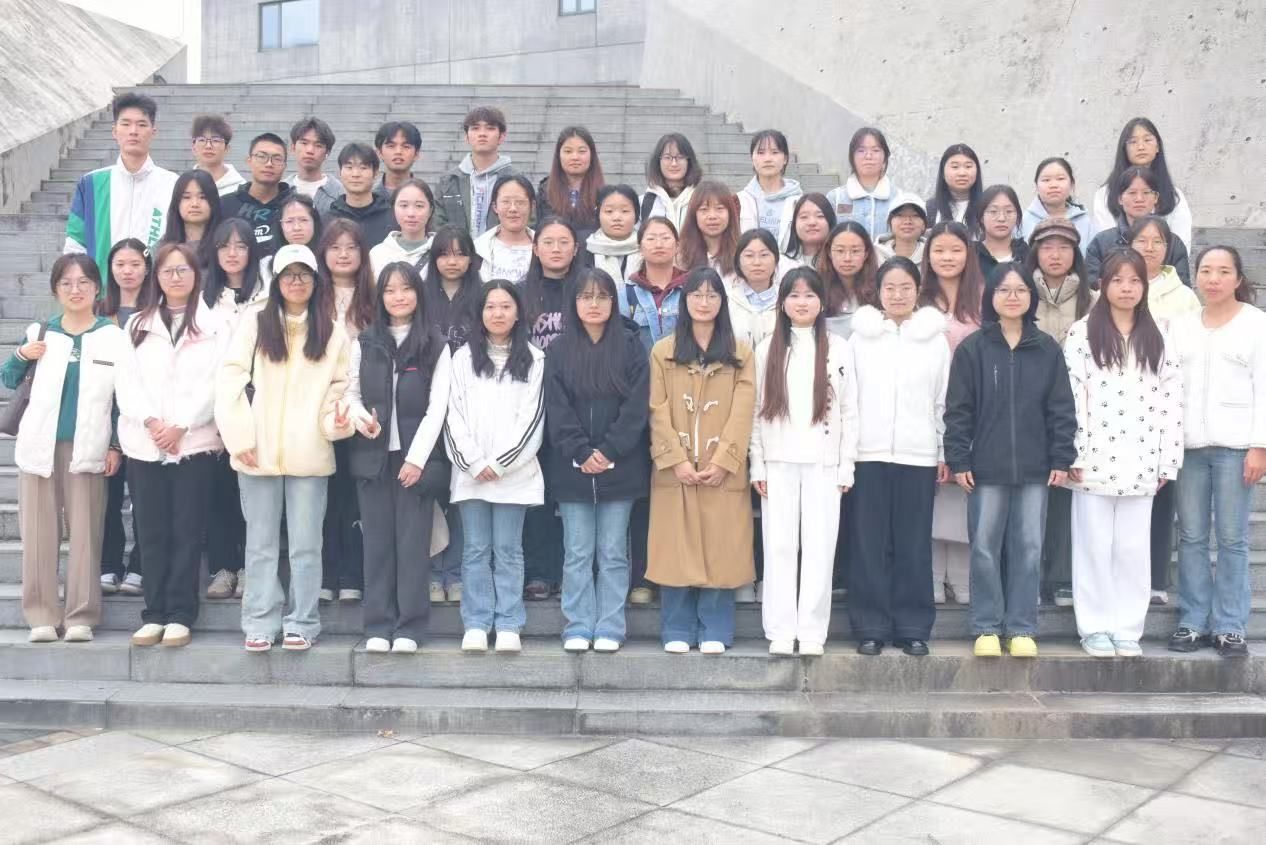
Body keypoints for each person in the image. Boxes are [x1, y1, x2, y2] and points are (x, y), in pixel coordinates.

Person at [214, 244, 352, 653]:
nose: (296, 281)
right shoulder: (255, 322)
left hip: (310, 453)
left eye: (304, 274)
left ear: (316, 281)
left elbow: (339, 389)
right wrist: (240, 438)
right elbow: (230, 380)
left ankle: (303, 621)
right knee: (260, 544)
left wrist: (335, 424)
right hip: (257, 451)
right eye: (288, 274)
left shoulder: (332, 331)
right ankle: (260, 621)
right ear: (276, 281)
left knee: (307, 545)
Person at [944, 262, 1077, 659]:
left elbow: (1061, 408)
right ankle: (986, 626)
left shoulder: (1046, 349)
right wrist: (959, 459)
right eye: (1004, 290)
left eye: (1020, 290)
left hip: (1036, 468)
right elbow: (958, 410)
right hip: (986, 468)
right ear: (991, 297)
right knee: (984, 546)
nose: (1013, 297)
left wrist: (1061, 456)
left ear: (1031, 298)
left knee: (1029, 547)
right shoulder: (974, 348)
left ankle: (1021, 627)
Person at [1064, 248, 1182, 658]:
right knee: (1093, 546)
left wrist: (1168, 458)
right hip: (1092, 457)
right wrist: (1073, 454)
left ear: (1145, 287)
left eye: (1134, 281)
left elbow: (1171, 398)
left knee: (1133, 549)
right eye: (1118, 280)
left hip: (1142, 457)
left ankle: (1128, 628)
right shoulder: (1082, 332)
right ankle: (1094, 627)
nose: (1126, 288)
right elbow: (1072, 396)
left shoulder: (1159, 334)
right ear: (1103, 285)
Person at [2, 255, 126, 643]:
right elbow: (8, 379)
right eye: (67, 283)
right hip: (39, 446)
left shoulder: (112, 336)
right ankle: (41, 614)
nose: (76, 290)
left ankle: (80, 616)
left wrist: (116, 444)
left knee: (86, 534)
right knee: (39, 533)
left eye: (84, 282)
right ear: (55, 289)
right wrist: (22, 355)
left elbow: (123, 397)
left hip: (87, 446)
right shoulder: (40, 331)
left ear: (97, 289)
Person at [116, 243, 230, 649]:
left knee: (187, 530)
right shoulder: (137, 324)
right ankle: (154, 613)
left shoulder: (215, 324)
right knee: (150, 531)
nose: (175, 277)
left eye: (183, 270)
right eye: (167, 271)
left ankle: (181, 613)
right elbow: (126, 381)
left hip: (194, 443)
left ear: (196, 275)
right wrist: (152, 422)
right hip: (144, 442)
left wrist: (182, 425)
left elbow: (218, 382)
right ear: (156, 277)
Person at [344, 261, 452, 653]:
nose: (398, 297)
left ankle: (410, 627)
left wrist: (417, 459)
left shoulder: (435, 344)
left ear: (417, 294)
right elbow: (351, 394)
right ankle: (378, 625)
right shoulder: (365, 342)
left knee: (411, 546)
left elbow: (438, 407)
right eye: (390, 290)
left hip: (415, 461)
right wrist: (362, 420)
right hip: (373, 458)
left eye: (405, 289)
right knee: (376, 545)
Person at [647, 268, 756, 655]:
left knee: (721, 548)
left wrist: (724, 459)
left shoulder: (741, 353)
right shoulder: (663, 351)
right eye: (696, 295)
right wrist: (675, 459)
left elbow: (743, 412)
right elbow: (657, 409)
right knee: (675, 548)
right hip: (675, 470)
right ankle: (676, 627)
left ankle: (715, 628)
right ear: (685, 300)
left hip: (722, 471)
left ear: (722, 302)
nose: (704, 302)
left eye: (712, 295)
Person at [750, 267, 857, 656]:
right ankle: (780, 630)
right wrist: (757, 464)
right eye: (793, 295)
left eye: (809, 295)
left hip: (824, 463)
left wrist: (846, 465)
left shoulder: (838, 347)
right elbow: (755, 412)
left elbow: (849, 410)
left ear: (822, 301)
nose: (801, 302)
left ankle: (812, 632)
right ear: (782, 303)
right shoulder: (767, 349)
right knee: (779, 547)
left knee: (819, 548)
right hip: (778, 461)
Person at [848, 256, 949, 656]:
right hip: (867, 453)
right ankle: (870, 626)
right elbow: (849, 400)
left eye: (906, 287)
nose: (897, 295)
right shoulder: (861, 338)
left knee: (913, 544)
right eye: (889, 288)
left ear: (918, 290)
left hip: (918, 454)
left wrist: (942, 449)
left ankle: (912, 626)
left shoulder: (934, 339)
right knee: (868, 543)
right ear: (878, 292)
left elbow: (943, 401)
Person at [1168, 246, 1265, 658]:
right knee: (1190, 537)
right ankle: (1192, 620)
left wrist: (1259, 446)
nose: (1213, 279)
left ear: (1238, 278)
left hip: (1235, 448)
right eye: (1206, 270)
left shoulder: (1256, 324)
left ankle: (1229, 626)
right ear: (1195, 277)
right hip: (1188, 447)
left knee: (1231, 538)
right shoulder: (1181, 326)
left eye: (1224, 271)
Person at [546, 267, 649, 652]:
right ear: (573, 303)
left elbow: (637, 408)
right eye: (585, 297)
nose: (594, 304)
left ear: (613, 301)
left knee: (612, 552)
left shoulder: (630, 346)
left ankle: (610, 626)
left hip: (620, 467)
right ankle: (577, 625)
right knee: (577, 552)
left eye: (602, 297)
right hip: (572, 468)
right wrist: (581, 451)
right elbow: (556, 408)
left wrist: (608, 451)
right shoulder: (559, 350)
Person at [444, 281, 546, 654]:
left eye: (505, 306)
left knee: (507, 549)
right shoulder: (461, 358)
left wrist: (500, 463)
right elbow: (452, 414)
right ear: (480, 313)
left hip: (514, 474)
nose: (498, 313)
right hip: (470, 473)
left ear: (518, 313)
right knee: (474, 549)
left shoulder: (534, 358)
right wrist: (473, 462)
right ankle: (476, 623)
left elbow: (532, 420)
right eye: (490, 307)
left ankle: (508, 623)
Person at [1131, 215, 1201, 607]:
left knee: (1161, 496)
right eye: (1141, 240)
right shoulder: (1113, 285)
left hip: (1165, 405)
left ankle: (1156, 578)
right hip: (1122, 406)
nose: (1149, 248)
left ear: (1168, 246)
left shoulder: (1184, 296)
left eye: (1157, 241)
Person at [1026, 217, 1096, 607]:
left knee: (1066, 492)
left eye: (1064, 247)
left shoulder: (1092, 299)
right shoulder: (1020, 292)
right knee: (1029, 492)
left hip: (1077, 407)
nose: (1055, 255)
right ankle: (1029, 574)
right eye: (1048, 247)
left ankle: (1061, 576)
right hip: (1027, 406)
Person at [203, 218, 268, 601]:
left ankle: (249, 568)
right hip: (214, 404)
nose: (232, 253)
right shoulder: (204, 299)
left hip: (257, 403)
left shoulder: (266, 296)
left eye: (240, 246)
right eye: (224, 246)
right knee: (219, 492)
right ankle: (223, 567)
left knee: (253, 493)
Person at [919, 221, 984, 603]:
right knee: (931, 495)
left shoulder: (983, 298)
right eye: (939, 250)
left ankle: (960, 578)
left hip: (971, 407)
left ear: (968, 254)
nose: (947, 257)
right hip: (925, 406)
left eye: (955, 250)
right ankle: (930, 577)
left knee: (961, 493)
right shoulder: (917, 299)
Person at [420, 225, 484, 604]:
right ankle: (431, 572)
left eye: (460, 253)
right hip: (425, 404)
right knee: (429, 491)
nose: (452, 261)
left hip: (469, 404)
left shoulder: (482, 296)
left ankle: (456, 572)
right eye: (445, 253)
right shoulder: (421, 295)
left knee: (462, 492)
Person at [520, 219, 580, 600]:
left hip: (577, 403)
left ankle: (574, 571)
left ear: (576, 248)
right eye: (548, 242)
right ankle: (539, 571)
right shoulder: (521, 293)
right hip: (532, 404)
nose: (556, 249)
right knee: (536, 494)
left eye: (564, 242)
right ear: (535, 247)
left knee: (572, 491)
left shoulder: (588, 289)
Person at [317, 218, 376, 603]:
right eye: (335, 247)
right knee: (325, 495)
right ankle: (326, 575)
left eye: (351, 247)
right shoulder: (312, 296)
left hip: (361, 407)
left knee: (356, 496)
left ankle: (353, 573)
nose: (343, 254)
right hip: (319, 409)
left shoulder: (374, 298)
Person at [65, 93, 177, 272]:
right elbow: (75, 244)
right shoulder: (90, 184)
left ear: (153, 132)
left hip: (155, 287)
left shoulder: (172, 184)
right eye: (126, 124)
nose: (133, 131)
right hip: (103, 285)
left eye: (142, 124)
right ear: (114, 131)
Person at [96, 240, 150, 595]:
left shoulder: (158, 309)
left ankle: (140, 566)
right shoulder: (100, 312)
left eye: (134, 264)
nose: (127, 271)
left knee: (146, 499)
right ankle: (109, 564)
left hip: (146, 418)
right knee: (108, 498)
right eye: (120, 264)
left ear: (147, 268)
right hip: (103, 416)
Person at [1091, 117, 1192, 251]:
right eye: (1133, 142)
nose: (1141, 147)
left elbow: (1181, 246)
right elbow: (1105, 243)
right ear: (1124, 149)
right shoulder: (1105, 194)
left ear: (1157, 147)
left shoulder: (1174, 195)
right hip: (1118, 262)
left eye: (1147, 140)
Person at [1086, 167, 1190, 285]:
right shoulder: (1101, 242)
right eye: (1132, 193)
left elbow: (1183, 287)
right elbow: (1091, 286)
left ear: (1156, 198)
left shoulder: (1173, 243)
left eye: (1146, 192)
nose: (1139, 199)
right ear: (1120, 198)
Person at [435, 106, 518, 237]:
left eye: (490, 128)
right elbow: (438, 225)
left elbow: (527, 222)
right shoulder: (449, 181)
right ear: (466, 137)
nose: (482, 134)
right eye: (475, 128)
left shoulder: (516, 180)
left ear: (502, 136)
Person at [220, 132, 293, 249]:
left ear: (284, 166)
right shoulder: (225, 205)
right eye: (261, 157)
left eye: (277, 159)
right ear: (249, 161)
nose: (269, 164)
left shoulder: (296, 207)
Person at [826, 127, 901, 239]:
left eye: (875, 150)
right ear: (852, 157)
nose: (868, 156)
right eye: (861, 151)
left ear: (885, 158)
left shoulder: (898, 198)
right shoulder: (835, 198)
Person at [625, 217, 687, 352]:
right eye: (651, 239)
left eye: (665, 238)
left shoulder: (691, 288)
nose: (659, 245)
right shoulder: (627, 293)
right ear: (640, 248)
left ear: (677, 246)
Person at [537, 126, 605, 244]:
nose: (575, 157)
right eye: (568, 151)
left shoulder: (604, 195)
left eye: (582, 151)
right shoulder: (545, 194)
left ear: (592, 155)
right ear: (558, 155)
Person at [737, 130, 802, 249]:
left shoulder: (799, 201)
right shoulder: (739, 201)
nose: (767, 159)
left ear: (785, 158)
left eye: (774, 152)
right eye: (761, 153)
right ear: (752, 158)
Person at [816, 221, 879, 339]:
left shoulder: (880, 288)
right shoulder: (816, 288)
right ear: (829, 252)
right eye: (840, 251)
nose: (847, 258)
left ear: (866, 254)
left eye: (855, 251)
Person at [729, 229, 787, 353]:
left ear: (776, 259)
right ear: (738, 261)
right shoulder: (728, 300)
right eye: (749, 256)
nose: (757, 263)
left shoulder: (787, 300)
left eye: (764, 255)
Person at [328, 143, 395, 248]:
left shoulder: (392, 218)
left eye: (363, 168)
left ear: (376, 173)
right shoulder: (328, 220)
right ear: (340, 172)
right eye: (349, 167)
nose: (355, 174)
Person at [475, 175, 536, 283]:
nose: (513, 209)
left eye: (520, 202)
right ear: (495, 207)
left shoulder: (544, 247)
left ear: (532, 206)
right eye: (506, 202)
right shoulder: (478, 248)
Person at [369, 179, 436, 278]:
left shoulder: (441, 253)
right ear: (393, 209)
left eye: (419, 206)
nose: (411, 213)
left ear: (430, 211)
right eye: (404, 205)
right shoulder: (377, 254)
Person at [1020, 157, 1092, 249]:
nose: (1053, 185)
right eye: (1046, 180)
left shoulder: (1084, 221)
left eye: (1060, 179)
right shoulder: (1023, 222)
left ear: (1072, 184)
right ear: (1036, 186)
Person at [161, 170, 222, 272]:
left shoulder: (224, 247)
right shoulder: (161, 248)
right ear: (177, 203)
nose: (194, 204)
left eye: (202, 197)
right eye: (186, 197)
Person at [679, 181, 741, 279]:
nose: (712, 216)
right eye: (704, 209)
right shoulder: (680, 257)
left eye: (719, 208)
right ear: (694, 215)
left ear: (730, 213)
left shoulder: (743, 254)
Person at [641, 133, 702, 231]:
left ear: (689, 161)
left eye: (680, 157)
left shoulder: (701, 199)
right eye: (667, 157)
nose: (674, 164)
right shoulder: (644, 202)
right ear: (658, 162)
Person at [583, 184, 642, 284]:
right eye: (609, 211)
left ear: (636, 214)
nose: (617, 217)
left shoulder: (646, 248)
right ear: (598, 215)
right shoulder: (586, 249)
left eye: (625, 211)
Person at [286, 117, 343, 216]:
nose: (310, 150)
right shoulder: (281, 190)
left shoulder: (340, 193)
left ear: (327, 152)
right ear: (293, 147)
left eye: (318, 145)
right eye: (304, 143)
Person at [972, 185, 1030, 277]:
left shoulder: (1027, 255)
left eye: (1009, 211)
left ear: (1017, 217)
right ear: (981, 217)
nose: (1001, 218)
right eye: (993, 211)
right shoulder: (971, 255)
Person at [926, 144, 983, 227]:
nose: (962, 173)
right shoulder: (929, 209)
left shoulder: (988, 207)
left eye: (968, 166)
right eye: (955, 167)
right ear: (942, 172)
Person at [191, 114, 246, 196]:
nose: (208, 146)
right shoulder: (182, 186)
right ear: (193, 147)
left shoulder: (240, 189)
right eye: (202, 140)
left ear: (227, 148)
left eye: (215, 140)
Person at [783, 193, 835, 266]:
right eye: (804, 217)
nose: (812, 222)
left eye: (820, 216)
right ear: (794, 223)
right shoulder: (782, 263)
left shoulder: (841, 261)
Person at [875, 194, 929, 264]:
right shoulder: (875, 256)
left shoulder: (932, 256)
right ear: (890, 222)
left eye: (915, 215)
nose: (907, 221)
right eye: (900, 215)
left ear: (924, 224)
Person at [374, 121, 421, 199]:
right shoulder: (370, 198)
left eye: (406, 146)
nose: (398, 151)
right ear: (379, 153)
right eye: (391, 146)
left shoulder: (425, 197)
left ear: (416, 154)